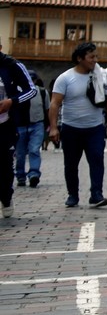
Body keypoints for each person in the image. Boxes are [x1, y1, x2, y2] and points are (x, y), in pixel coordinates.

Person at [49, 42, 107, 209]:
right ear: (80, 58)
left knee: (97, 159)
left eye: (96, 56)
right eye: (91, 57)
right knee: (71, 163)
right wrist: (53, 127)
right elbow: (54, 103)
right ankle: (73, 194)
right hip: (71, 128)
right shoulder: (65, 78)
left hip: (94, 128)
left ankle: (96, 194)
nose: (95, 60)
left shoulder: (100, 76)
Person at [1, 46, 38, 218]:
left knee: (5, 168)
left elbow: (31, 90)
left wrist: (12, 101)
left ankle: (6, 197)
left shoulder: (12, 65)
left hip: (5, 124)